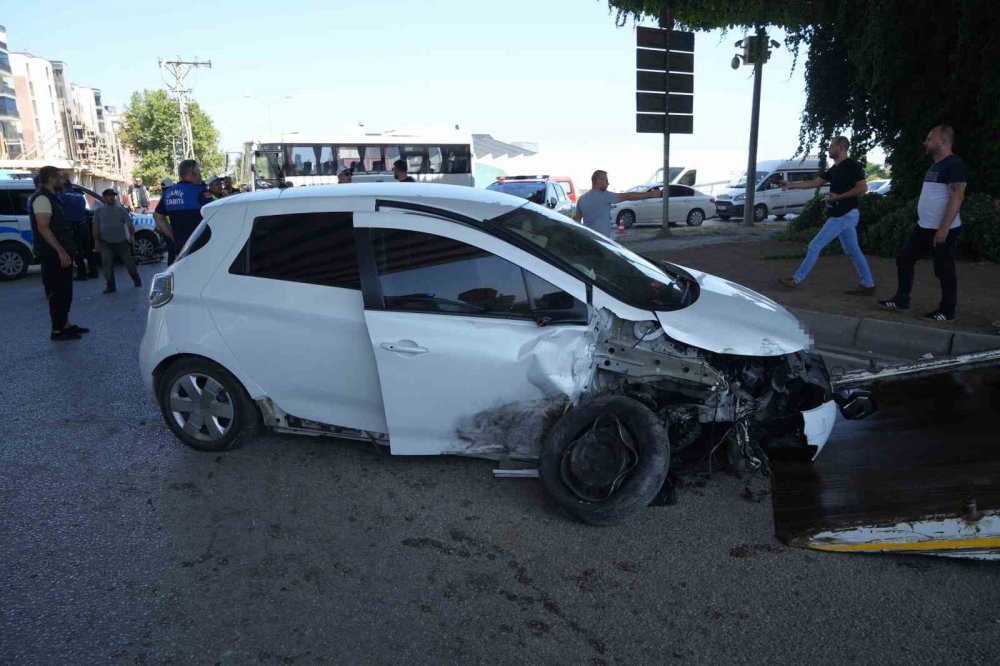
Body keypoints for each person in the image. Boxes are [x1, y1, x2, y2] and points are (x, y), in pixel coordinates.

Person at [879, 125, 967, 321]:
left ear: (943, 141)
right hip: (924, 227)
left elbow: (957, 197)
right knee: (905, 259)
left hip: (942, 230)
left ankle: (947, 311)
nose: (925, 142)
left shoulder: (954, 164)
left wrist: (943, 228)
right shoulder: (936, 165)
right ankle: (901, 300)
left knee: (943, 269)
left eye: (929, 138)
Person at [777, 136, 875, 294]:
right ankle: (868, 284)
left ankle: (796, 280)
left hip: (843, 215)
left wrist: (838, 197)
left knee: (814, 246)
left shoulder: (851, 166)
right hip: (846, 215)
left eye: (831, 146)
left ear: (841, 148)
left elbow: (863, 188)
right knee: (853, 251)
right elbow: (815, 183)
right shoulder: (835, 168)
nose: (828, 149)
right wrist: (790, 185)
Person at [29, 166, 89, 341]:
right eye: (60, 178)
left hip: (60, 252)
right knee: (58, 293)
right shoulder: (42, 198)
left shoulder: (52, 198)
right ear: (51, 179)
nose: (63, 181)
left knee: (65, 291)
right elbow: (43, 227)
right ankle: (57, 330)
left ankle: (66, 325)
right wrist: (60, 251)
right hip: (52, 254)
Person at [154, 160, 212, 264]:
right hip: (202, 244)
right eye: (199, 172)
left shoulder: (168, 193)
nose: (201, 176)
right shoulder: (200, 192)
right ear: (194, 173)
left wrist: (173, 236)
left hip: (181, 245)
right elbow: (214, 215)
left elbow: (157, 216)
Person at [573, 170, 662, 237]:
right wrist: (651, 194)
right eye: (606, 181)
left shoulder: (582, 199)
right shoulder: (606, 196)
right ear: (599, 180)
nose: (608, 183)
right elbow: (628, 196)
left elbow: (577, 220)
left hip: (588, 240)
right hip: (602, 242)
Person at [93, 189, 141, 294]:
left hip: (121, 241)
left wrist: (132, 236)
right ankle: (110, 285)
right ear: (104, 197)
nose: (112, 198)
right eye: (109, 196)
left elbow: (129, 224)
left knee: (129, 263)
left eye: (113, 196)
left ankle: (136, 279)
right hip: (105, 242)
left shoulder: (120, 210)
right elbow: (96, 226)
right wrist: (96, 241)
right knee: (107, 265)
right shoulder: (99, 211)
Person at [59, 179, 98, 281]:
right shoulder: (80, 196)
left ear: (63, 186)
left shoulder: (62, 197)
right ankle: (93, 271)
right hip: (83, 225)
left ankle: (82, 274)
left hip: (72, 226)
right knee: (88, 249)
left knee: (77, 251)